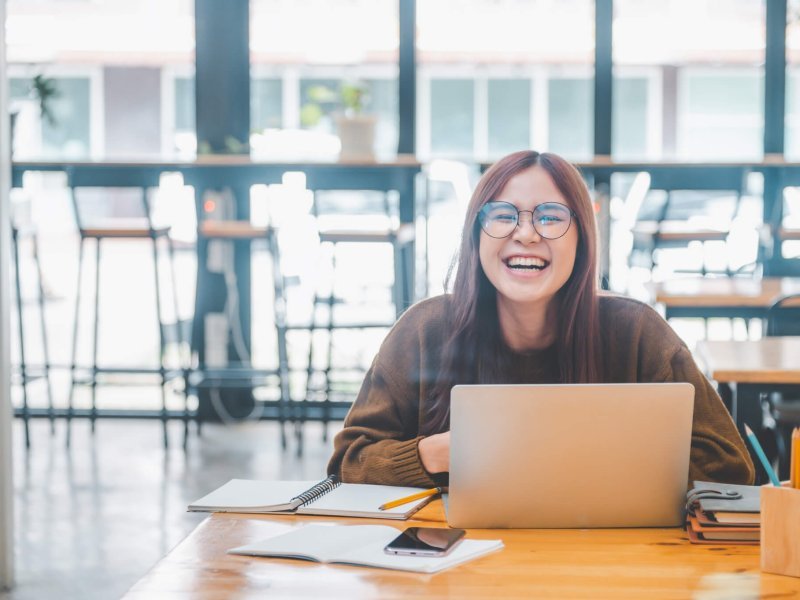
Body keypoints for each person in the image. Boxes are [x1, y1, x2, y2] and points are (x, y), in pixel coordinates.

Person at [327, 150, 754, 488]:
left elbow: (729, 465)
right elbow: (348, 463)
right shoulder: (424, 330)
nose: (526, 234)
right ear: (475, 237)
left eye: (550, 217)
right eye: (502, 215)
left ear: (582, 238)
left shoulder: (636, 331)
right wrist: (438, 454)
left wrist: (575, 455)